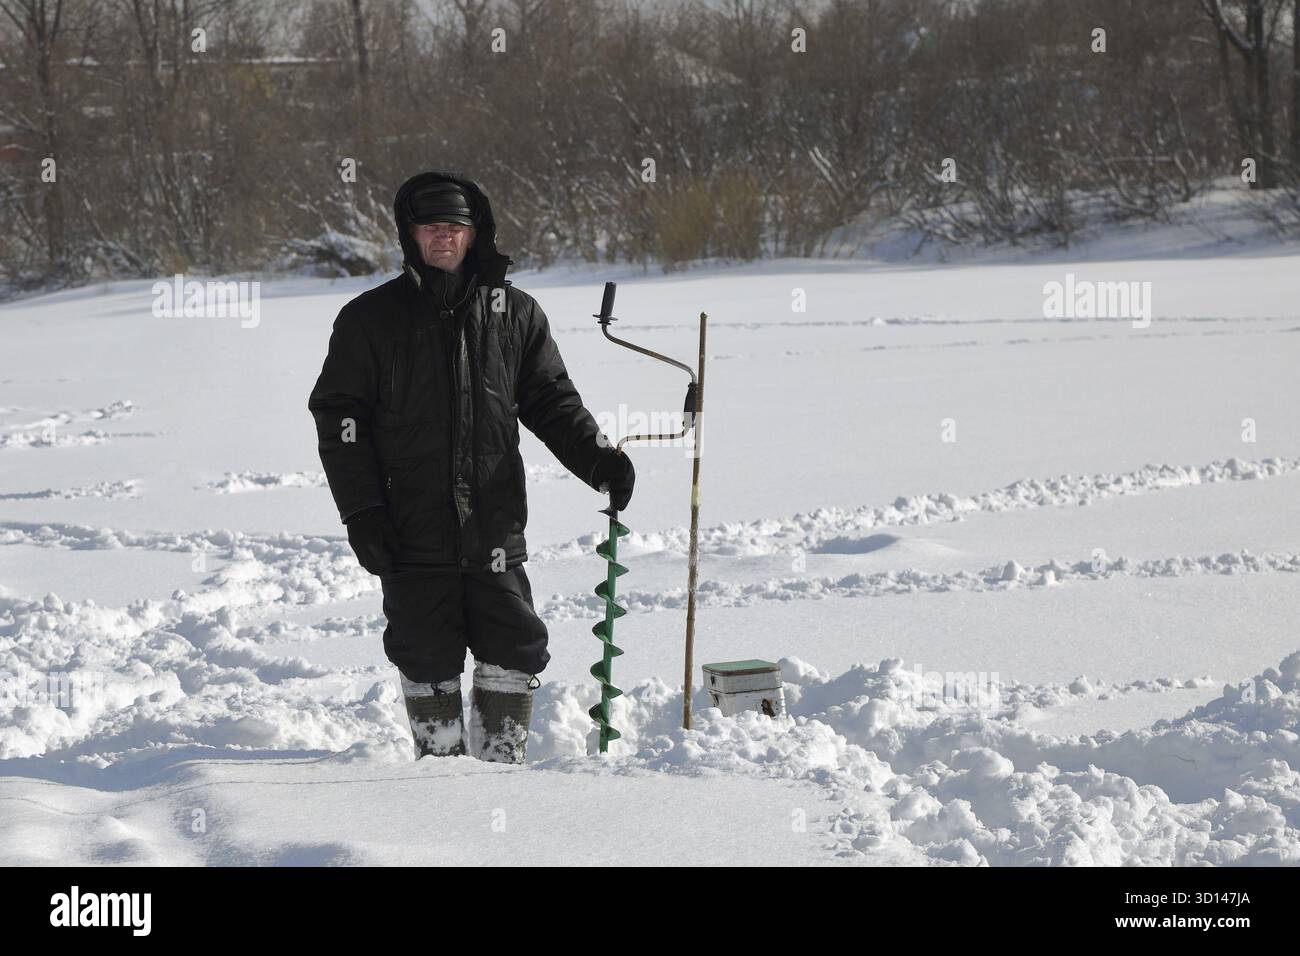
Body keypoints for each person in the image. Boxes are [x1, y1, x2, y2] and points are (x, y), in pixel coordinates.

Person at [307, 170, 634, 763]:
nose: (443, 237)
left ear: (473, 232)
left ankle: (500, 767)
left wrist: (597, 459)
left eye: (455, 226)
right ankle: (442, 775)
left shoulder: (516, 314)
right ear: (409, 235)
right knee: (424, 649)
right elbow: (340, 422)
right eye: (430, 226)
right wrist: (362, 510)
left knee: (512, 642)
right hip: (407, 523)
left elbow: (550, 400)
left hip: (493, 520)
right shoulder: (369, 320)